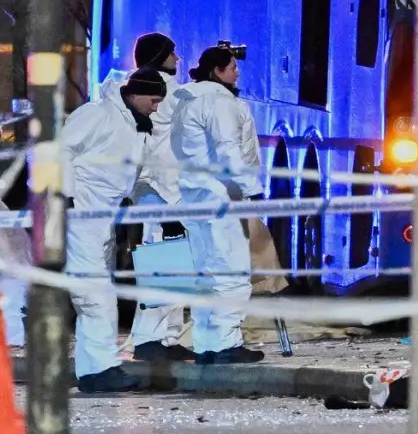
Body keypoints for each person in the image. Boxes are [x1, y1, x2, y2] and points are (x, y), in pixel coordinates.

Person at [61, 66, 167, 392]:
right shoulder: (96, 115)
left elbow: (138, 180)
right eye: (153, 99)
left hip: (100, 220)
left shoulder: (136, 128)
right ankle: (101, 369)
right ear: (135, 95)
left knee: (96, 293)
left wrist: (166, 210)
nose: (157, 106)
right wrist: (62, 197)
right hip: (79, 214)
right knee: (95, 294)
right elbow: (57, 150)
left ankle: (95, 370)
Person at [167, 45, 266, 365]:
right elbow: (228, 150)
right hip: (225, 196)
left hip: (195, 196)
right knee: (232, 272)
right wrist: (252, 190)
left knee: (206, 273)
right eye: (232, 66)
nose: (237, 71)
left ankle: (207, 343)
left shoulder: (187, 101)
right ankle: (225, 343)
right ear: (216, 71)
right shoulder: (221, 103)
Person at [123, 32, 198, 362]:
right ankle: (152, 338)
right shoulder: (165, 93)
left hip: (160, 190)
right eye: (172, 54)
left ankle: (165, 337)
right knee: (163, 262)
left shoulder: (154, 92)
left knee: (170, 263)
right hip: (162, 191)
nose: (178, 59)